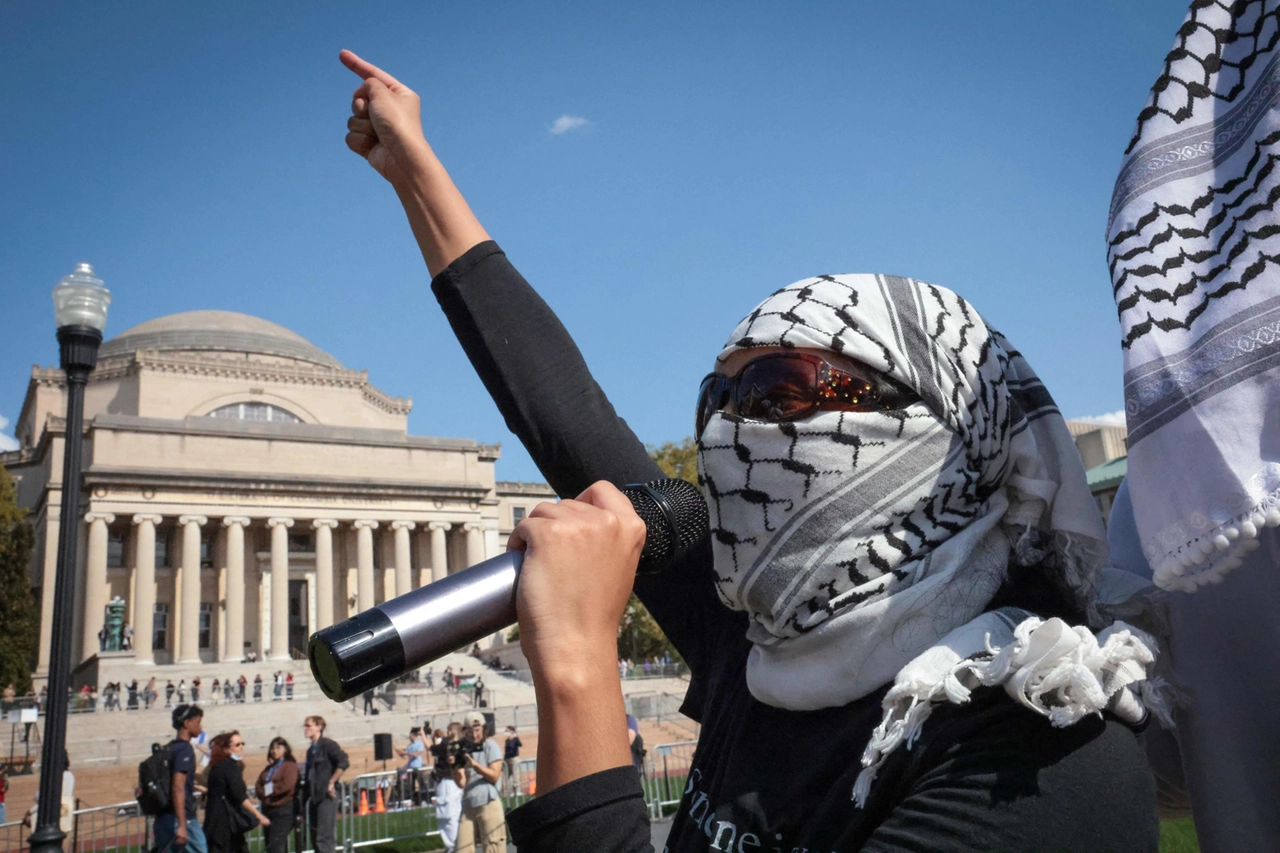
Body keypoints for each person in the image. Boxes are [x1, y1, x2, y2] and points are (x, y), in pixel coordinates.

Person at [337, 50, 1166, 852]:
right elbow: (560, 410)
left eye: (779, 389)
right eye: (719, 396)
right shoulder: (763, 637)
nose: (730, 429)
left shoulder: (1041, 761)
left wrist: (579, 669)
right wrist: (416, 169)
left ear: (948, 432)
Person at [153, 704, 206, 853]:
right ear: (187, 723)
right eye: (198, 722)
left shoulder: (168, 748)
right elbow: (178, 786)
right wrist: (182, 825)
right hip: (182, 818)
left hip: (163, 818)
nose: (200, 727)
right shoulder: (185, 749)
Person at [204, 731, 269, 853]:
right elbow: (239, 795)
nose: (241, 747)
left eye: (242, 743)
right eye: (237, 744)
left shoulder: (218, 767)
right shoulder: (229, 767)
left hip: (216, 822)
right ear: (227, 749)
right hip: (225, 825)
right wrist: (258, 815)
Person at [453, 711, 505, 853]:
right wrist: (454, 766)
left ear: (483, 729)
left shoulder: (490, 745)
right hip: (468, 803)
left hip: (488, 801)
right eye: (470, 731)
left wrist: (475, 765)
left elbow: (494, 776)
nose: (474, 735)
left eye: (477, 730)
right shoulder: (462, 750)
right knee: (462, 848)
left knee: (493, 847)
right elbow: (461, 783)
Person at [302, 716, 348, 853]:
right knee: (315, 835)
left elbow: (343, 762)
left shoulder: (328, 745)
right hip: (314, 796)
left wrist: (332, 782)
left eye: (309, 726)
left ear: (319, 727)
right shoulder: (310, 751)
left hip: (326, 796)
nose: (305, 729)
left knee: (324, 837)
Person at [254, 737, 299, 853]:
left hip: (283, 810)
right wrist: (263, 793)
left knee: (276, 844)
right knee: (270, 844)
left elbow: (287, 785)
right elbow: (258, 784)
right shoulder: (269, 768)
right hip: (268, 810)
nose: (275, 751)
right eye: (272, 748)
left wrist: (269, 791)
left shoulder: (290, 766)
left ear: (285, 749)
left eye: (278, 748)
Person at [431, 737, 465, 853]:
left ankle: (455, 847)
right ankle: (453, 847)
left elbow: (431, 749)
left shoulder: (449, 745)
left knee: (450, 817)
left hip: (448, 782)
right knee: (447, 818)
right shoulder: (451, 745)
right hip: (446, 782)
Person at [395, 727, 427, 804]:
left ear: (413, 735)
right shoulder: (409, 745)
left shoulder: (419, 744)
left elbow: (416, 755)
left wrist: (405, 753)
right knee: (411, 786)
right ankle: (414, 800)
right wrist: (398, 752)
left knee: (421, 784)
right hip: (410, 768)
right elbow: (406, 756)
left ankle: (425, 800)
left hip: (418, 767)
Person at [502, 727, 522, 796]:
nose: (506, 732)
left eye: (507, 731)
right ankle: (505, 794)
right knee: (505, 778)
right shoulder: (507, 741)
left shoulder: (515, 740)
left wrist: (515, 737)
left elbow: (520, 744)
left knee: (516, 777)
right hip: (507, 760)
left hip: (514, 759)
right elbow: (506, 751)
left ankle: (517, 792)